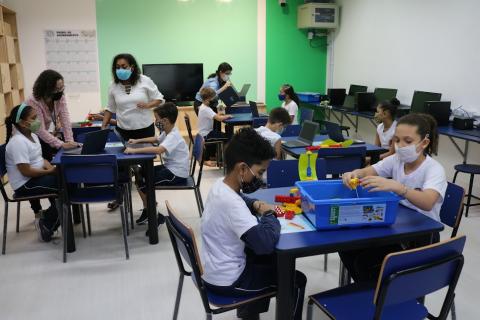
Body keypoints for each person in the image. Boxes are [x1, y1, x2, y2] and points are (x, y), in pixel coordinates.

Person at [201, 128, 307, 320]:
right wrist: (268, 212)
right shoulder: (231, 203)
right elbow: (265, 243)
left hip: (215, 270)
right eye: (260, 172)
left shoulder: (220, 186)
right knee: (295, 279)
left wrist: (257, 204)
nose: (261, 178)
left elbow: (241, 199)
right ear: (242, 168)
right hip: (230, 281)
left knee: (267, 260)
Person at [340, 113, 447, 282]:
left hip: (422, 237)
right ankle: (371, 293)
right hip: (397, 227)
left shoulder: (434, 169)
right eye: (396, 140)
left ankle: (383, 296)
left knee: (364, 262)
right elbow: (370, 170)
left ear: (424, 143)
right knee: (347, 247)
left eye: (408, 141)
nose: (400, 146)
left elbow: (427, 202)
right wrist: (355, 173)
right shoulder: (396, 160)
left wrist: (400, 188)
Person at [124, 102, 189, 230]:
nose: (155, 121)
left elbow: (159, 149)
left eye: (157, 119)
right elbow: (156, 139)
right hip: (169, 168)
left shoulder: (173, 136)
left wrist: (134, 150)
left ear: (165, 121)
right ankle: (149, 210)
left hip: (176, 174)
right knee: (140, 173)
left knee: (144, 182)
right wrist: (137, 141)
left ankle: (154, 215)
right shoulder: (167, 132)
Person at [5, 104, 60, 242]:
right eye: (34, 118)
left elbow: (41, 159)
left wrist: (51, 169)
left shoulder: (33, 136)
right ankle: (46, 223)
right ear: (22, 122)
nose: (38, 121)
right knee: (66, 186)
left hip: (34, 178)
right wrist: (50, 172)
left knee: (66, 180)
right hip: (25, 184)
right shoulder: (17, 142)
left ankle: (50, 218)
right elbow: (26, 171)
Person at [26, 70, 78, 216]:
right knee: (38, 169)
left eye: (62, 88)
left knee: (52, 167)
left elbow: (65, 118)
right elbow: (39, 129)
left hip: (42, 136)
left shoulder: (59, 98)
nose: (60, 91)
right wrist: (60, 144)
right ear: (46, 88)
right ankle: (39, 211)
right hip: (29, 137)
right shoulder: (33, 101)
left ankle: (55, 211)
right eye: (57, 89)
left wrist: (69, 141)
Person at [101, 53, 164, 140]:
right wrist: (103, 125)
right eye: (117, 67)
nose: (120, 70)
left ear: (132, 67)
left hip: (145, 129)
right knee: (125, 152)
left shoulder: (144, 80)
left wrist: (147, 105)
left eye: (124, 67)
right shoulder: (113, 85)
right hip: (123, 130)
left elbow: (159, 99)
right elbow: (110, 108)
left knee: (146, 153)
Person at [197, 87, 232, 166]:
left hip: (204, 133)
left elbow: (215, 115)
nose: (214, 99)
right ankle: (225, 161)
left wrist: (220, 115)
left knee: (225, 135)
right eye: (213, 97)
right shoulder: (206, 109)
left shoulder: (203, 107)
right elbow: (219, 119)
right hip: (207, 134)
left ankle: (220, 158)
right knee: (228, 138)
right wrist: (228, 116)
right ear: (208, 98)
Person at [193, 62, 233, 131]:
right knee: (212, 124)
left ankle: (215, 137)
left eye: (229, 73)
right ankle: (212, 138)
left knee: (216, 124)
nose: (228, 76)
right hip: (200, 103)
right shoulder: (213, 83)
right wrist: (224, 87)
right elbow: (212, 95)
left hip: (207, 103)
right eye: (227, 73)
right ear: (221, 72)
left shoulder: (219, 80)